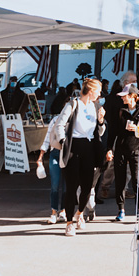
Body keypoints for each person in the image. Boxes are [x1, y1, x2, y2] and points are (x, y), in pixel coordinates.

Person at [53, 76, 111, 236]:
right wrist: (64, 141)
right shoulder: (73, 104)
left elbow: (99, 132)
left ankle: (79, 214)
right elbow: (59, 125)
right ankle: (69, 222)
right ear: (91, 91)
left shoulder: (95, 106)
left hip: (89, 147)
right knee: (71, 187)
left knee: (87, 186)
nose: (99, 95)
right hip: (73, 146)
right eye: (98, 91)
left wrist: (101, 121)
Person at [107, 81, 139, 222]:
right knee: (120, 180)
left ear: (133, 96)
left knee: (137, 181)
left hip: (136, 149)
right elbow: (113, 131)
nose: (122, 98)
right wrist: (109, 148)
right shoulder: (120, 111)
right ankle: (121, 209)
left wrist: (138, 129)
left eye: (125, 95)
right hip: (121, 149)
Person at [35, 92, 69, 225]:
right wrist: (40, 156)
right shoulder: (55, 120)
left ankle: (64, 211)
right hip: (55, 152)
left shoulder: (74, 121)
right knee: (55, 185)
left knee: (66, 187)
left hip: (67, 155)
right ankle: (54, 212)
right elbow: (47, 138)